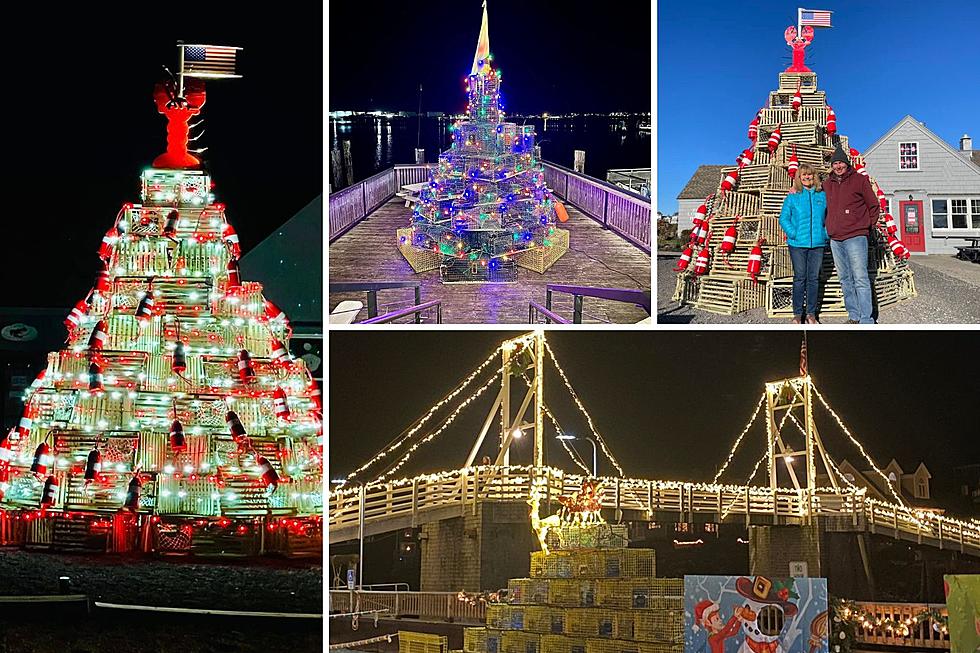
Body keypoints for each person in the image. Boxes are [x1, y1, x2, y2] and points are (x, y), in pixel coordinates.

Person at [824, 145, 880, 323]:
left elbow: (874, 206)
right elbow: (814, 198)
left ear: (847, 164)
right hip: (835, 238)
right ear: (832, 166)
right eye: (835, 163)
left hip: (856, 236)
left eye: (841, 163)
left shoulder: (859, 180)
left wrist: (866, 227)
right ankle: (854, 316)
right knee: (845, 279)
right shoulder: (827, 184)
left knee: (860, 277)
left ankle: (866, 319)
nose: (838, 166)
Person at [779, 163, 828, 324]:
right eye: (804, 175)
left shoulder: (822, 196)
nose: (807, 177)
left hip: (817, 244)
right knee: (800, 278)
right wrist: (794, 233)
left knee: (813, 278)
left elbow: (829, 217)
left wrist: (825, 234)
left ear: (815, 177)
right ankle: (797, 314)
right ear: (799, 178)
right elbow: (784, 218)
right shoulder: (793, 197)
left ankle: (811, 314)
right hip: (798, 244)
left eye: (810, 175)